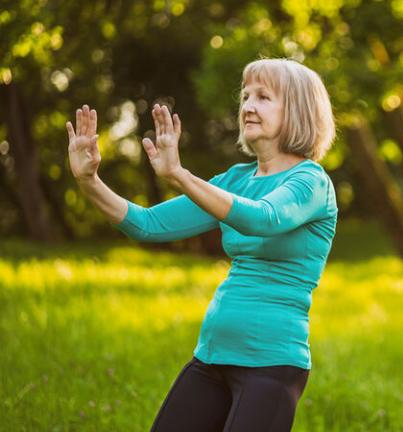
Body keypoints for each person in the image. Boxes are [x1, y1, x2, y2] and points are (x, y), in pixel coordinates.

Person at [66, 58, 337, 432]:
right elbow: (148, 225)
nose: (248, 106)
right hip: (211, 358)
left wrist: (179, 174)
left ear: (298, 110)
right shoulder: (235, 179)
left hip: (271, 367)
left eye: (263, 96)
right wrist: (89, 181)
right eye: (245, 96)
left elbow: (263, 218)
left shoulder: (312, 182)